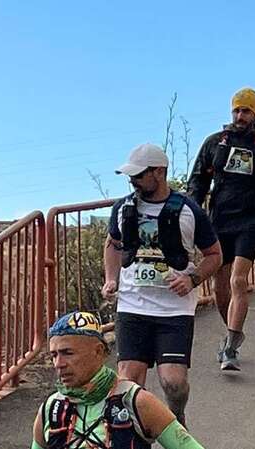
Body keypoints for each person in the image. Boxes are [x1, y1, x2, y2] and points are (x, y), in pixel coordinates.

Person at [102, 143, 222, 425]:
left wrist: (192, 279)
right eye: (130, 176)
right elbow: (113, 243)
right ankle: (135, 435)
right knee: (129, 381)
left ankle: (175, 417)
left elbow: (215, 255)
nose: (133, 181)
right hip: (132, 305)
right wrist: (111, 279)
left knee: (173, 382)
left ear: (159, 172)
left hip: (174, 310)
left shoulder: (189, 210)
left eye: (138, 175)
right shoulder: (123, 208)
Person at [187, 88, 255, 371]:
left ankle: (231, 347)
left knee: (238, 280)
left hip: (253, 219)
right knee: (220, 286)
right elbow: (197, 181)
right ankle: (232, 332)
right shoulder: (215, 143)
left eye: (246, 111)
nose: (240, 116)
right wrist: (190, 214)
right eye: (236, 110)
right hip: (221, 219)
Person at [32, 311, 208, 449]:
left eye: (68, 353)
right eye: (54, 355)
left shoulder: (136, 401)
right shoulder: (51, 408)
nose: (58, 364)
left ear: (98, 351)